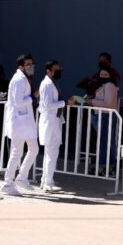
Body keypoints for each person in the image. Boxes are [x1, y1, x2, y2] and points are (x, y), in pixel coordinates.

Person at [1, 54, 39, 196]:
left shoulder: (24, 79)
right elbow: (18, 102)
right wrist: (33, 97)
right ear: (21, 66)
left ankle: (22, 177)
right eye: (28, 64)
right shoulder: (18, 80)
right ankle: (7, 183)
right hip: (19, 122)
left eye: (32, 63)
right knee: (16, 153)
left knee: (33, 149)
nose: (31, 66)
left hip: (26, 122)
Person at [38, 61, 74, 192]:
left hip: (55, 120)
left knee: (52, 152)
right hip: (50, 120)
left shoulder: (52, 83)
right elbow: (48, 105)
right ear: (49, 70)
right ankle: (47, 182)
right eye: (56, 69)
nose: (59, 71)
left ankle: (46, 180)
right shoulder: (47, 84)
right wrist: (65, 103)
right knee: (51, 152)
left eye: (60, 68)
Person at [86, 63, 119, 175]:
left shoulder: (109, 85)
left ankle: (103, 167)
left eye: (106, 74)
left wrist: (92, 102)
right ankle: (108, 166)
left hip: (106, 115)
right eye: (101, 74)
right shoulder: (102, 85)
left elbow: (108, 103)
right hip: (103, 115)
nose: (103, 76)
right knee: (106, 142)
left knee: (104, 142)